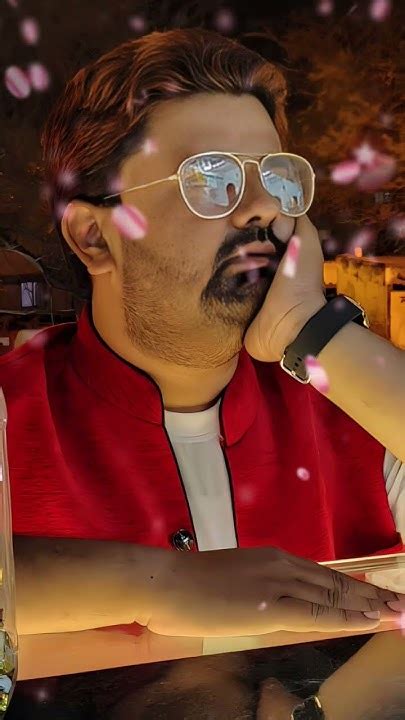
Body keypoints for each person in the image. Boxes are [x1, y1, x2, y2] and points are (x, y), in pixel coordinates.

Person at [1, 28, 405, 637]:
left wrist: (313, 330)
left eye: (279, 179)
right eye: (211, 179)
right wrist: (151, 585)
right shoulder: (12, 415)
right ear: (94, 236)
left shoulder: (359, 408)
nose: (263, 208)